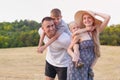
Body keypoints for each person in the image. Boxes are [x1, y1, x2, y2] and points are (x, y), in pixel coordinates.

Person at [67, 10, 110, 80]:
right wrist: (74, 55)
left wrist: (95, 13)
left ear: (93, 20)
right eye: (84, 18)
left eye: (89, 17)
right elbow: (69, 49)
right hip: (77, 66)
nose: (86, 20)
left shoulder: (96, 32)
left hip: (88, 67)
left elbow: (107, 17)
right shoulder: (79, 34)